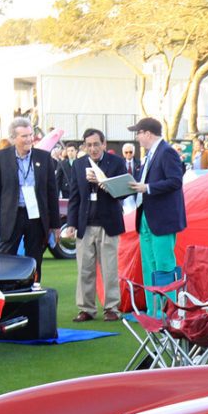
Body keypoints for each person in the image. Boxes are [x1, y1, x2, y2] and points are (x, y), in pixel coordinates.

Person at [60, 128, 128, 322]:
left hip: (109, 223)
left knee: (109, 269)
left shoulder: (116, 163)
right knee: (84, 269)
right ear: (84, 146)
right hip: (85, 224)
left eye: (96, 144)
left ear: (104, 144)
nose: (93, 148)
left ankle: (112, 308)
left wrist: (101, 181)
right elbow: (74, 197)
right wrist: (71, 224)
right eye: (89, 145)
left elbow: (123, 192)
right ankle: (86, 309)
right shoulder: (79, 164)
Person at [127, 117, 186, 314]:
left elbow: (175, 181)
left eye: (139, 133)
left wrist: (148, 188)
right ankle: (154, 312)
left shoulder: (166, 152)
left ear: (148, 133)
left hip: (162, 219)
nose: (137, 138)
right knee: (149, 267)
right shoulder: (152, 154)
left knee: (164, 266)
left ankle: (169, 311)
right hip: (146, 217)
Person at [0, 116, 60, 281]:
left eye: (30, 135)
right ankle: (5, 294)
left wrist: (55, 225)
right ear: (13, 139)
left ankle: (34, 292)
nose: (29, 139)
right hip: (10, 216)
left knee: (35, 258)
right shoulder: (1, 157)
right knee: (5, 257)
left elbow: (51, 192)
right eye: (24, 136)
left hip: (35, 216)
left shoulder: (43, 157)